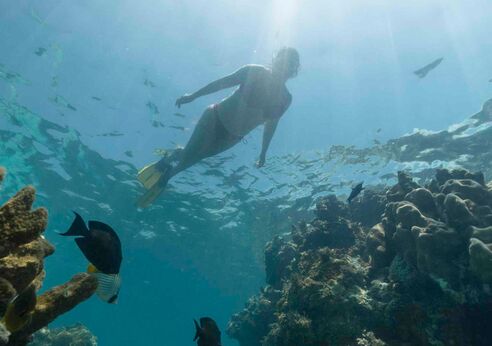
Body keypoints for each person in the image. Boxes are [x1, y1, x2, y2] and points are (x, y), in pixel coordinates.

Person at [137, 47, 300, 207]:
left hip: (232, 137)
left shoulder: (285, 99)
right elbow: (221, 84)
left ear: (295, 69)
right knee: (191, 153)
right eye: (283, 59)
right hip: (214, 118)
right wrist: (193, 96)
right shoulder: (255, 72)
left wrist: (263, 153)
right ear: (275, 59)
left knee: (197, 156)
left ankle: (168, 163)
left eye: (291, 63)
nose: (286, 65)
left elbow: (271, 125)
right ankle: (167, 175)